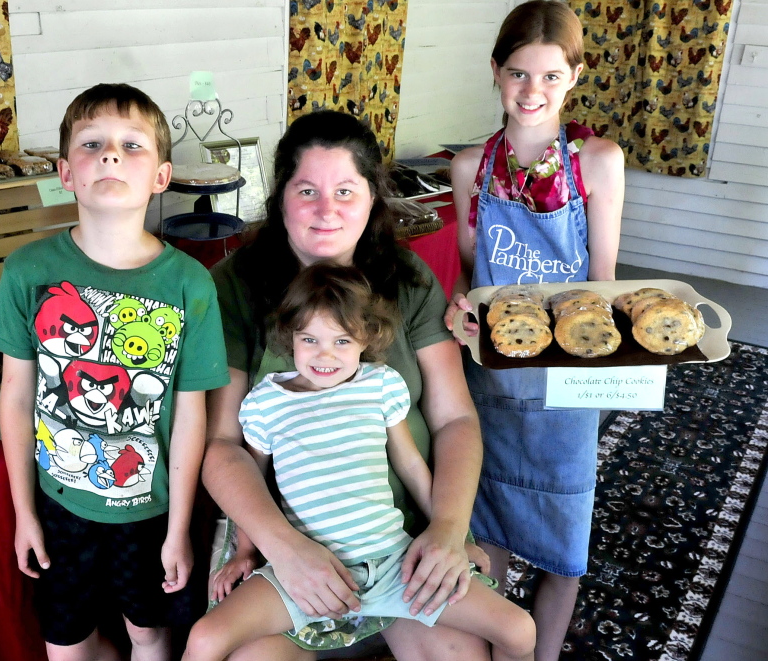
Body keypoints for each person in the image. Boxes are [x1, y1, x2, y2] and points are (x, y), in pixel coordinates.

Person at [202, 109, 493, 660]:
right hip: (281, 541)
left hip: (403, 533)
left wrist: (449, 528)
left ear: (372, 199)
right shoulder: (235, 284)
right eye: (306, 189)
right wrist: (281, 547)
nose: (326, 209)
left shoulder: (407, 280)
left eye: (345, 190)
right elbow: (223, 446)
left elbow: (454, 418)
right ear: (280, 197)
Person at [0, 83, 230, 661]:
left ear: (162, 177)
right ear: (66, 172)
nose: (111, 155)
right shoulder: (27, 271)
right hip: (56, 504)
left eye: (131, 144)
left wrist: (179, 528)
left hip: (149, 515)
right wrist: (24, 513)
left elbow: (193, 416)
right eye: (92, 143)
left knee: (148, 632)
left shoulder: (190, 285)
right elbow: (16, 399)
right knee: (65, 640)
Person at [185, 264, 535, 661]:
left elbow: (411, 466)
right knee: (204, 640)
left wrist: (454, 535)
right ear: (290, 336)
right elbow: (255, 481)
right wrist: (246, 552)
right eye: (310, 339)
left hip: (395, 565)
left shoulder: (379, 384)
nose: (325, 355)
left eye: (341, 341)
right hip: (304, 571)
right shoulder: (266, 402)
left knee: (519, 630)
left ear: (365, 339)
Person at [444, 2, 626, 660]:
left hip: (565, 383)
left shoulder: (598, 162)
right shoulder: (469, 168)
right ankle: (493, 640)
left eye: (551, 77)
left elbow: (600, 277)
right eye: (518, 74)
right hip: (490, 378)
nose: (532, 92)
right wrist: (459, 311)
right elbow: (471, 280)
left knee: (563, 538)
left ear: (575, 76)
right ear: (494, 71)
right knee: (484, 520)